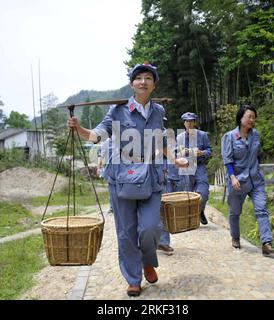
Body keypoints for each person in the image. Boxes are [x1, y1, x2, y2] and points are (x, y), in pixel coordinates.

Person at [67, 62, 187, 297]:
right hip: (122, 177)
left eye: (148, 78)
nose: (143, 82)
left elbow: (160, 141)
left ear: (154, 84)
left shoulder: (158, 111)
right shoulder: (118, 110)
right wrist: (79, 129)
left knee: (151, 227)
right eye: (138, 78)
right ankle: (133, 278)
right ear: (132, 83)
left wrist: (174, 160)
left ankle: (147, 260)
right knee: (126, 231)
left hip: (151, 176)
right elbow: (96, 136)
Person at [220, 104, 274, 255]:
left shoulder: (255, 135)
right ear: (240, 118)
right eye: (249, 116)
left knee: (261, 209)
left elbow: (258, 155)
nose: (252, 120)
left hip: (256, 180)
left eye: (254, 117)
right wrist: (232, 177)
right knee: (235, 212)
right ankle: (235, 237)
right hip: (238, 181)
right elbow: (228, 160)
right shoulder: (230, 137)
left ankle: (266, 243)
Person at [176, 112, 212, 225]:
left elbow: (209, 150)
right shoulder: (179, 137)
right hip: (186, 168)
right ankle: (190, 218)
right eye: (187, 121)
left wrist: (202, 153)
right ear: (184, 123)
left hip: (199, 166)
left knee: (204, 193)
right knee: (188, 194)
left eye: (191, 121)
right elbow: (175, 153)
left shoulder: (202, 135)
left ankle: (200, 211)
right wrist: (182, 152)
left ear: (194, 123)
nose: (189, 124)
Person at [158, 118, 175, 255]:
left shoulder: (168, 135)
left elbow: (172, 154)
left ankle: (163, 242)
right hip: (146, 175)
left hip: (165, 174)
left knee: (164, 208)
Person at [97, 137, 113, 214]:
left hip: (122, 168)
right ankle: (112, 206)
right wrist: (98, 167)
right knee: (111, 187)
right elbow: (101, 155)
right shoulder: (105, 142)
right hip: (110, 168)